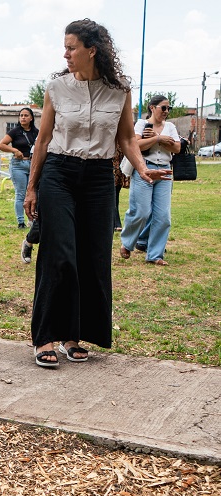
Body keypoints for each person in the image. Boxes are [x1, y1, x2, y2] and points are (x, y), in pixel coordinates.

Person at [23, 19, 171, 368]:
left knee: (92, 257)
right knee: (59, 253)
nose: (66, 53)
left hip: (99, 178)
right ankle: (45, 336)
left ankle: (73, 336)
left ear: (92, 50)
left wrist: (142, 167)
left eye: (72, 47)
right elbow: (42, 141)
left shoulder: (119, 90)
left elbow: (125, 139)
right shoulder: (56, 87)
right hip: (59, 173)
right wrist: (32, 187)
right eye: (65, 47)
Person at [119, 95, 180, 266]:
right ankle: (127, 243)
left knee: (163, 216)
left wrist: (159, 139)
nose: (166, 112)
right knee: (141, 211)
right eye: (163, 108)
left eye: (169, 109)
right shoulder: (141, 124)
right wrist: (158, 139)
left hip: (165, 171)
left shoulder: (171, 127)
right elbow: (135, 145)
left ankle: (155, 254)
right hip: (144, 169)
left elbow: (177, 147)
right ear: (152, 108)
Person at [0, 107, 39, 229]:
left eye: (26, 115)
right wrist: (14, 150)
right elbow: (1, 145)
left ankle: (32, 220)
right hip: (18, 165)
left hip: (32, 165)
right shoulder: (15, 131)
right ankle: (21, 222)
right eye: (21, 115)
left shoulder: (36, 132)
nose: (23, 117)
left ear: (31, 118)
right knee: (21, 193)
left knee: (33, 193)